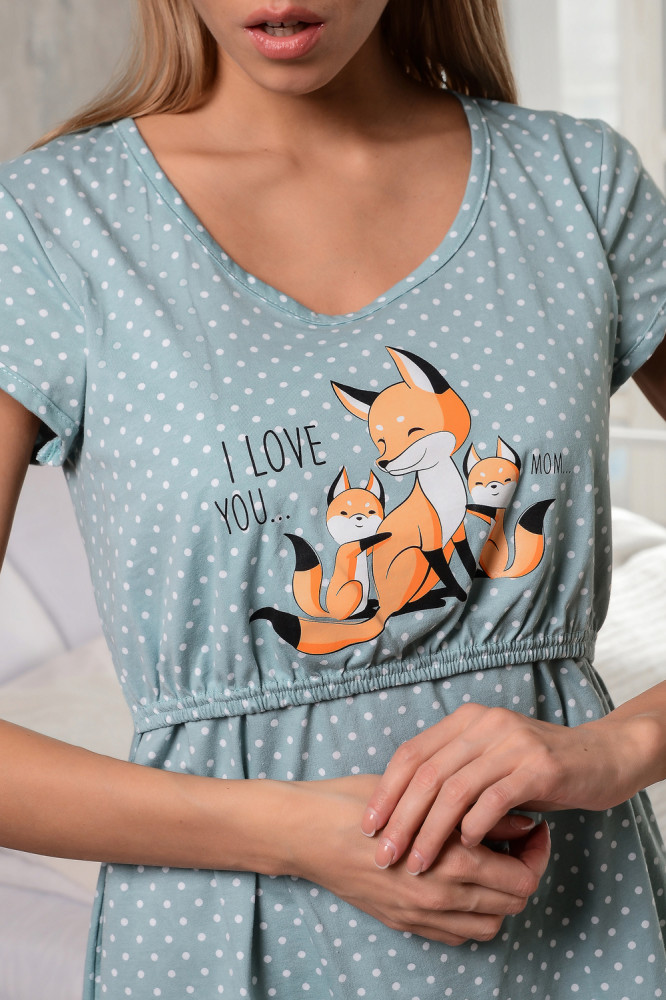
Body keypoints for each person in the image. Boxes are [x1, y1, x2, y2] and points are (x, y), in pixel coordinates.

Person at [0, 0, 665, 996]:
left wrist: (619, 748)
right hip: (224, 942)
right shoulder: (50, 226)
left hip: (576, 929)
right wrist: (295, 834)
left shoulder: (576, 185)